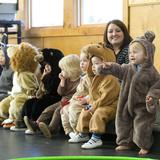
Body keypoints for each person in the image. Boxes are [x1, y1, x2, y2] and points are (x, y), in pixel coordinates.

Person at [97, 31, 160, 155]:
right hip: (125, 102)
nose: (131, 55)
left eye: (135, 52)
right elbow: (118, 69)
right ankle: (124, 142)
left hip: (142, 106)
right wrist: (107, 67)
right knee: (122, 122)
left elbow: (157, 86)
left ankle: (144, 145)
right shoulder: (127, 68)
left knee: (142, 126)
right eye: (130, 52)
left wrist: (152, 97)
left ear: (147, 55)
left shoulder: (152, 73)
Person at [69, 43, 120, 149]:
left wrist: (94, 105)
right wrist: (89, 103)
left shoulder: (111, 78)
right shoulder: (97, 77)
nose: (93, 67)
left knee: (99, 113)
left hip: (111, 105)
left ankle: (96, 138)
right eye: (92, 64)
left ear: (106, 64)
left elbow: (107, 97)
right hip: (98, 103)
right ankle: (83, 133)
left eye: (96, 63)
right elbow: (93, 94)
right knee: (85, 111)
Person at [23, 54, 81, 136]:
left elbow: (79, 94)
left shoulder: (80, 81)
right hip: (63, 101)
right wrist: (63, 81)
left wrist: (68, 101)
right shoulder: (66, 80)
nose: (61, 72)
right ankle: (36, 124)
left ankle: (51, 129)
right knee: (48, 110)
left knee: (57, 111)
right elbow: (60, 92)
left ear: (71, 70)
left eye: (63, 70)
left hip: (71, 102)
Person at [0, 42, 39, 129]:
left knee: (16, 105)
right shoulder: (17, 72)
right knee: (3, 104)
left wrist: (30, 92)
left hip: (24, 95)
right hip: (14, 94)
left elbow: (32, 89)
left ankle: (16, 121)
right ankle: (3, 118)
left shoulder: (25, 74)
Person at [60, 46, 90, 137]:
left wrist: (85, 99)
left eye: (84, 61)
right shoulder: (84, 77)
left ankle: (81, 133)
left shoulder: (91, 78)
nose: (81, 64)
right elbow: (77, 93)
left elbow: (93, 92)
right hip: (77, 100)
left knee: (73, 109)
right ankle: (70, 132)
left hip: (88, 103)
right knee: (64, 109)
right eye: (81, 61)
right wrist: (71, 101)